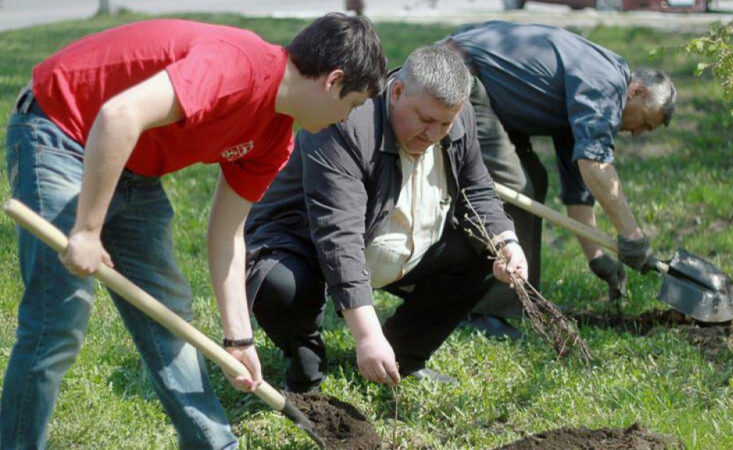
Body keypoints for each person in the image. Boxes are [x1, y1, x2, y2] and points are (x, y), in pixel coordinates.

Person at [2, 14, 385, 449]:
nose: (344, 120)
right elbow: (118, 114)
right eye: (352, 105)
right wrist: (88, 230)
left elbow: (227, 236)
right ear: (333, 81)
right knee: (59, 320)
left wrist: (238, 339)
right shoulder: (238, 66)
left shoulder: (276, 140)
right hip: (61, 128)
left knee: (170, 316)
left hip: (133, 164)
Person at [244, 46, 527, 393]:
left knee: (482, 250)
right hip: (307, 243)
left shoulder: (457, 115)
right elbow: (338, 234)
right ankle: (307, 369)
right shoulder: (345, 120)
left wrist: (505, 242)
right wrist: (366, 334)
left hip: (396, 243)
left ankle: (399, 358)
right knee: (281, 286)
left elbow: (477, 188)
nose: (435, 133)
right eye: (425, 120)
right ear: (396, 92)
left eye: (445, 123)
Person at [441, 21, 676, 337]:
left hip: (482, 89)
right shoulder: (605, 83)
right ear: (637, 91)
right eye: (644, 122)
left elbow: (579, 190)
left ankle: (491, 296)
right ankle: (484, 313)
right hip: (458, 76)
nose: (634, 133)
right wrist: (632, 237)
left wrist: (598, 258)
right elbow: (595, 164)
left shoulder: (589, 99)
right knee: (516, 185)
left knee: (533, 180)